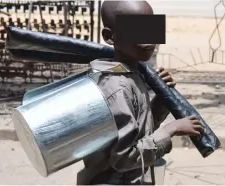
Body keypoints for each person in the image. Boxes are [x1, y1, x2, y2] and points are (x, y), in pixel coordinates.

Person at [77, 1, 204, 185]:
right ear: (109, 36)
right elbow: (125, 158)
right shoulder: (116, 87)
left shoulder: (131, 75)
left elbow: (140, 130)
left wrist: (162, 99)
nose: (148, 39)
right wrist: (171, 129)